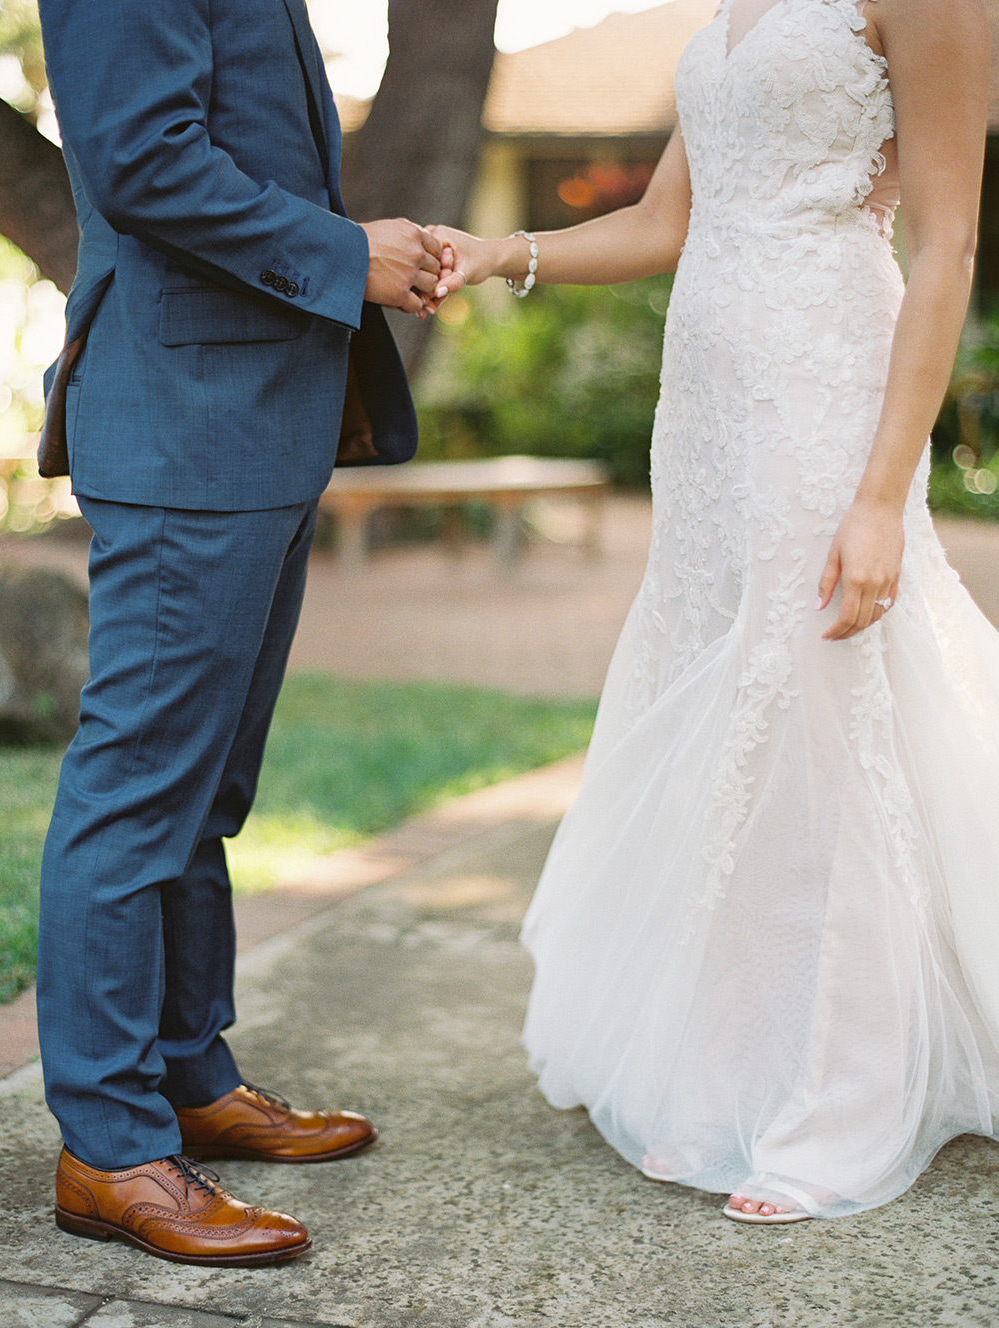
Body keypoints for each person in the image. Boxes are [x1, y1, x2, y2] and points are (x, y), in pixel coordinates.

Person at [429, 0, 999, 1222]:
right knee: (720, 686)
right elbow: (663, 222)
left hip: (826, 388)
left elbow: (947, 245)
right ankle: (728, 1063)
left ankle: (831, 1091)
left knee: (814, 705)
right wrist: (497, 253)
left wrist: (883, 496)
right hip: (703, 407)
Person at [33, 0, 455, 1266]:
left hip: (252, 419)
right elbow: (143, 156)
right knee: (138, 787)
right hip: (183, 417)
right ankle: (109, 1148)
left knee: (205, 786)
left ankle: (185, 1073)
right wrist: (345, 253)